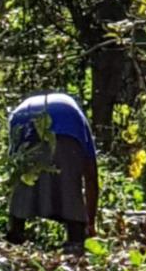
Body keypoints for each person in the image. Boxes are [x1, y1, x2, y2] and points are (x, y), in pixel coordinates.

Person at [6, 91, 98, 253]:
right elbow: (91, 178)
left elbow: (14, 165)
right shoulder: (80, 122)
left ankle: (15, 235)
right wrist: (90, 222)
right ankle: (76, 241)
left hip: (23, 118)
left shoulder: (20, 111)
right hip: (65, 126)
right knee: (70, 190)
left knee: (23, 184)